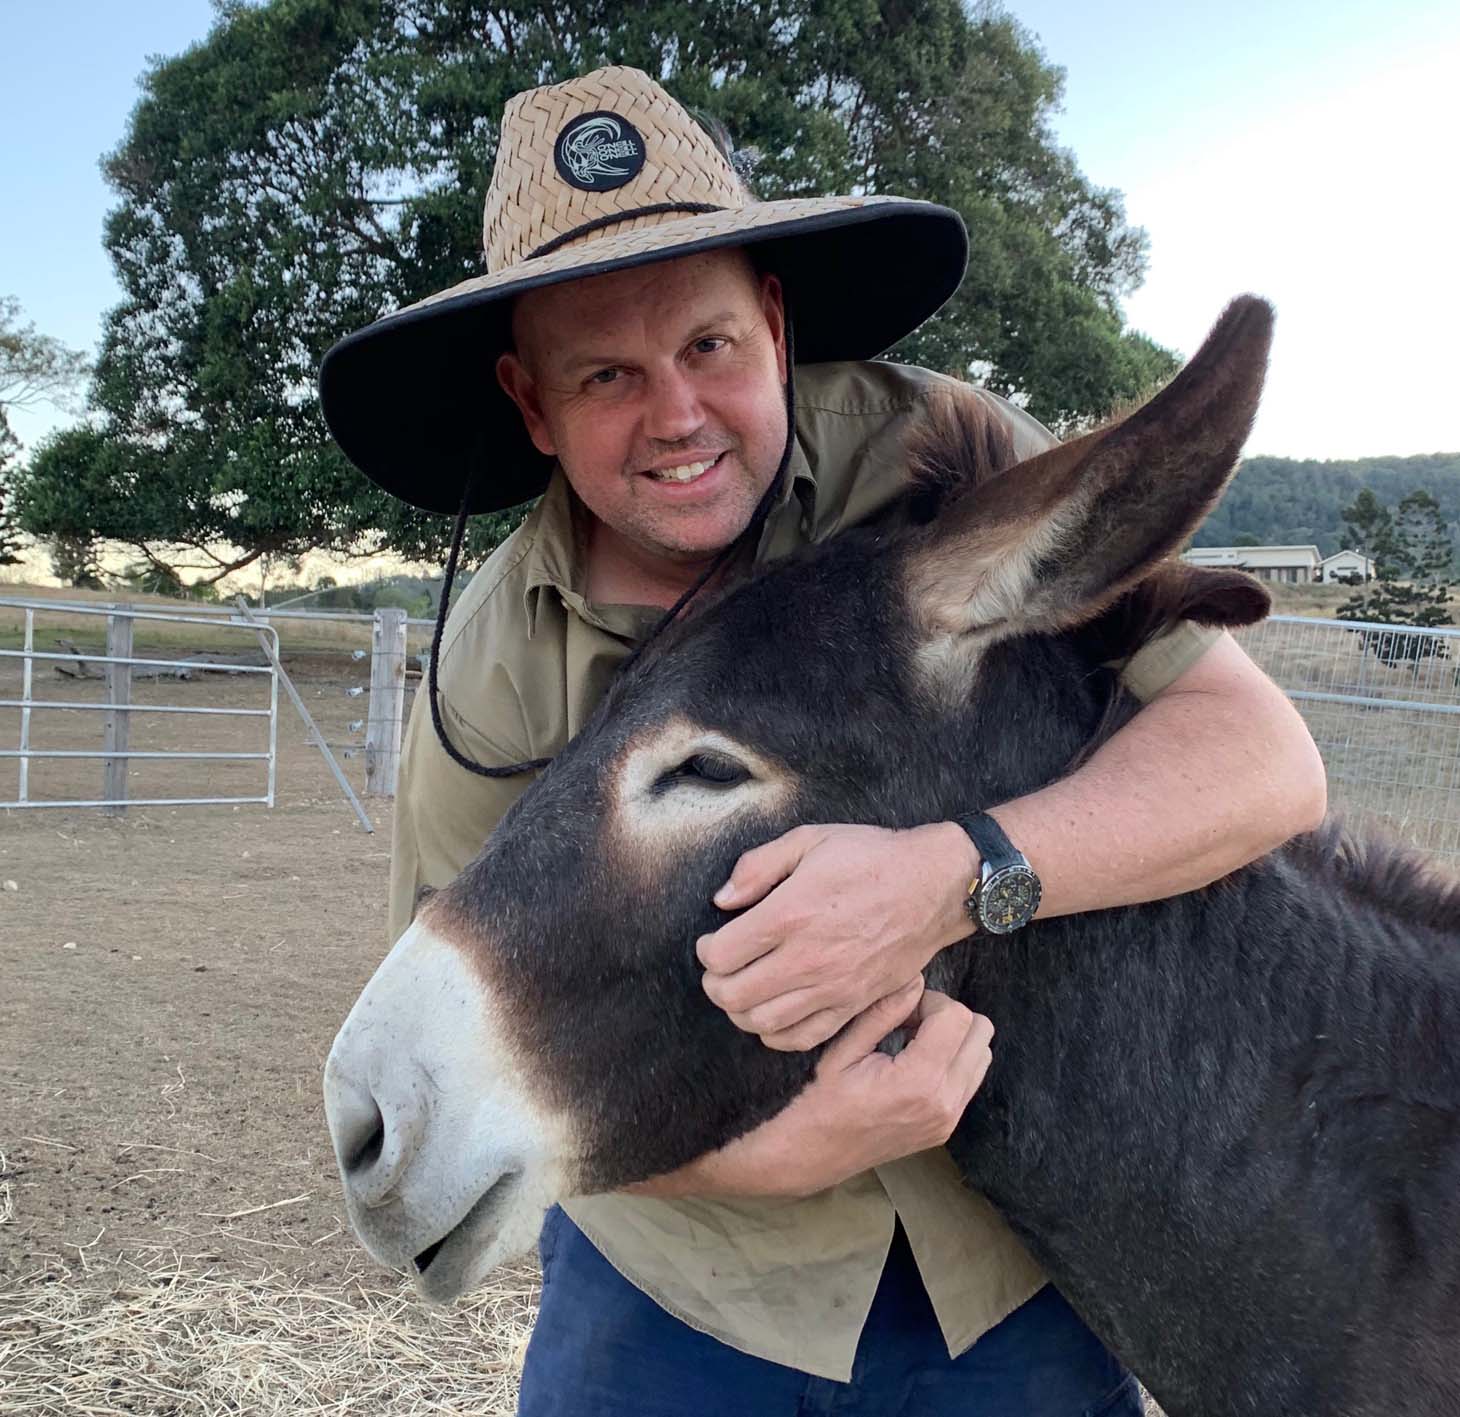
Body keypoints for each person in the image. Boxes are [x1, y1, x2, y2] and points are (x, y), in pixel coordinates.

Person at [320, 65, 1326, 1416]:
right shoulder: (495, 665)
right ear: (532, 402)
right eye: (608, 373)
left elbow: (1266, 763)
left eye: (710, 346)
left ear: (775, 325)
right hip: (688, 1285)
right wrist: (772, 1155)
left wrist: (955, 875)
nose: (676, 414)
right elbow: (466, 1025)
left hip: (999, 1266)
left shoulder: (936, 462)